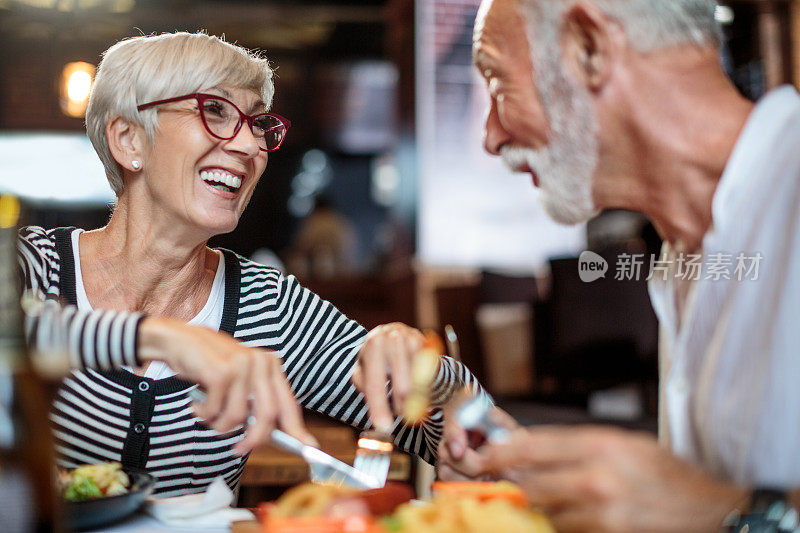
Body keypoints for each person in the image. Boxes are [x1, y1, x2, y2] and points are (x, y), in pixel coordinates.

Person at [18, 31, 484, 497]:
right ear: (128, 139)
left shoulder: (268, 306)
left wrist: (421, 368)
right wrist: (157, 337)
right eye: (215, 110)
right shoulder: (33, 263)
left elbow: (463, 435)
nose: (249, 146)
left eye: (258, 124)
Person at [437, 0, 800, 530]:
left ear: (589, 49)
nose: (491, 137)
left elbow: (704, 506)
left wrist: (728, 513)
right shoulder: (682, 252)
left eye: (496, 82)